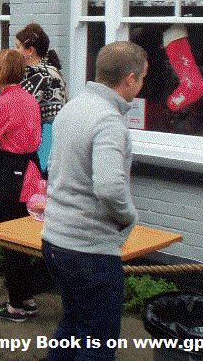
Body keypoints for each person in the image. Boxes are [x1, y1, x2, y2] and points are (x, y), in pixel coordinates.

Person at [41, 41, 146, 361]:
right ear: (129, 79)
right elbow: (110, 187)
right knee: (96, 345)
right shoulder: (108, 121)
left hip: (55, 241)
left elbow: (52, 167)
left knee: (72, 325)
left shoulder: (73, 107)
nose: (141, 86)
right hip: (89, 250)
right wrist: (130, 218)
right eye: (141, 79)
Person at [0, 49, 44, 320]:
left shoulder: (2, 103)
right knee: (25, 241)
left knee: (11, 242)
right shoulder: (29, 99)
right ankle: (27, 298)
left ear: (3, 72)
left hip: (10, 174)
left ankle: (14, 306)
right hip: (33, 174)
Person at [14, 23, 68, 173]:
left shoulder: (46, 76)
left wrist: (41, 165)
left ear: (30, 51)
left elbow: (51, 124)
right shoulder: (29, 73)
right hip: (27, 149)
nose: (16, 51)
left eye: (18, 47)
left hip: (41, 152)